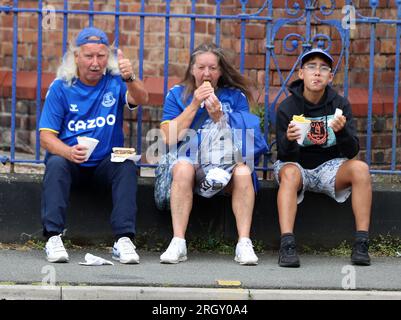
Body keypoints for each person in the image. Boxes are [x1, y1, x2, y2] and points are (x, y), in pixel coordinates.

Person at [39, 27, 148, 263]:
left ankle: (124, 240)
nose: (95, 63)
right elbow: (46, 137)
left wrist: (130, 77)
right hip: (72, 162)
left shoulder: (116, 81)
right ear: (76, 56)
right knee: (55, 162)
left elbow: (141, 99)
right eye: (89, 56)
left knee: (126, 163)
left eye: (101, 56)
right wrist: (68, 151)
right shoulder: (61, 87)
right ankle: (53, 237)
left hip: (104, 164)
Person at [158, 43, 264, 265]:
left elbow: (245, 143)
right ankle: (178, 242)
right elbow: (168, 137)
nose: (207, 73)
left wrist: (221, 118)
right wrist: (195, 103)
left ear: (221, 71)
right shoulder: (177, 94)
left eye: (213, 68)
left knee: (243, 172)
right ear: (192, 69)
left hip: (226, 164)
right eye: (201, 67)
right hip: (191, 165)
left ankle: (244, 243)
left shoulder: (235, 97)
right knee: (183, 167)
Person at [274, 48, 372, 268]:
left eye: (323, 68)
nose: (317, 72)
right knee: (289, 173)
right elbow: (283, 154)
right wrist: (289, 140)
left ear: (330, 77)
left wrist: (342, 132)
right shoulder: (287, 107)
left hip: (330, 168)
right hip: (296, 165)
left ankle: (361, 242)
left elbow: (351, 151)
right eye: (311, 67)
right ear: (301, 74)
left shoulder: (340, 105)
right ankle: (287, 245)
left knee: (361, 169)